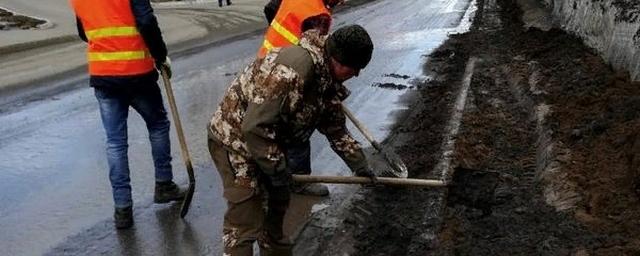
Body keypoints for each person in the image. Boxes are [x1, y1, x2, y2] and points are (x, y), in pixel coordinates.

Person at [207, 25, 376, 256]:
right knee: (245, 220)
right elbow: (254, 127)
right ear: (338, 60)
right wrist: (276, 170)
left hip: (269, 143)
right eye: (354, 68)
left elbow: (335, 129)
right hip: (235, 141)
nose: (356, 75)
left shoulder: (326, 79)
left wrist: (360, 165)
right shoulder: (294, 70)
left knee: (275, 213)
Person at [71, 0, 185, 229]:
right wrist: (160, 54)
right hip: (136, 72)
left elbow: (84, 32)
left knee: (115, 142)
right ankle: (164, 184)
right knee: (158, 124)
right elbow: (146, 21)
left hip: (103, 74)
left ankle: (122, 209)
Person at [259, 0, 345, 197]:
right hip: (285, 71)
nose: (343, 1)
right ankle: (298, 180)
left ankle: (274, 176)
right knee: (300, 123)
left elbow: (270, 7)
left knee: (275, 123)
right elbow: (317, 53)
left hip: (267, 64)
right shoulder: (317, 14)